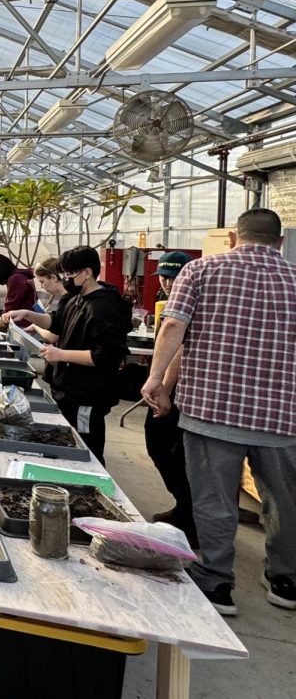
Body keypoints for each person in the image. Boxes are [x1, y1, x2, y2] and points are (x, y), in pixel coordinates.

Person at [142, 209, 296, 617]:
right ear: (280, 242)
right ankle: (285, 581)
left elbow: (173, 326)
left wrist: (156, 379)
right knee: (284, 500)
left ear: (233, 237)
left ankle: (216, 582)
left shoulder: (199, 271)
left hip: (212, 409)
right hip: (282, 415)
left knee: (214, 500)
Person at [2, 246, 129, 465]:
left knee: (87, 448)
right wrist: (27, 314)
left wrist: (60, 354)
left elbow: (104, 356)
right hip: (67, 390)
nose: (67, 280)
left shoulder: (103, 307)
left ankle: (93, 483)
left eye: (70, 274)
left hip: (86, 394)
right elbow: (55, 323)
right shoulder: (75, 299)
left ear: (87, 272)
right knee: (67, 444)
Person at [142, 250, 196, 544]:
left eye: (173, 276)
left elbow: (179, 349)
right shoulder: (167, 303)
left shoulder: (188, 303)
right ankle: (184, 508)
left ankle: (190, 519)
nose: (167, 281)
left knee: (176, 454)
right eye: (163, 275)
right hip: (164, 389)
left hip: (178, 395)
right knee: (160, 447)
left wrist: (163, 387)